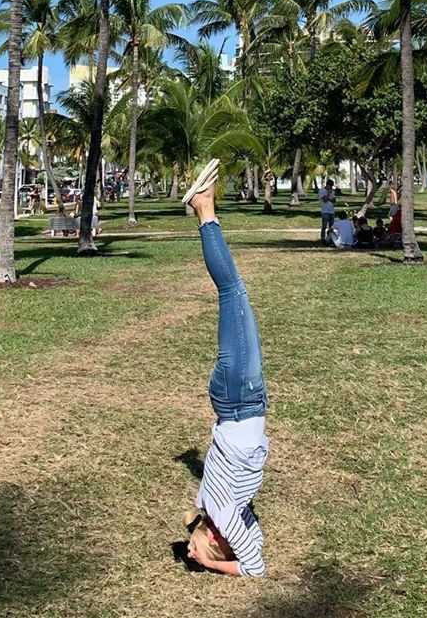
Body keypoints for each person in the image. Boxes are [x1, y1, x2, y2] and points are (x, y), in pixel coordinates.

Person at [181, 159, 268, 578]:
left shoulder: (218, 509)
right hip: (241, 399)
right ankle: (204, 208)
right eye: (195, 549)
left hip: (238, 398)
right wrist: (213, 559)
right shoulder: (230, 514)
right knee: (233, 292)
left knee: (232, 290)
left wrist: (207, 560)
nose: (190, 549)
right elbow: (255, 554)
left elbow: (254, 569)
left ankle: (204, 208)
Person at [318, 179, 336, 244]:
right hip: (325, 211)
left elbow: (334, 200)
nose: (331, 187)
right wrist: (328, 194)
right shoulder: (322, 191)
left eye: (332, 186)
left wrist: (329, 197)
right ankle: (322, 238)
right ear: (327, 185)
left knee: (331, 227)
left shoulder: (332, 191)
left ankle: (330, 238)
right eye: (330, 186)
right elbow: (324, 200)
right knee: (324, 226)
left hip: (332, 211)